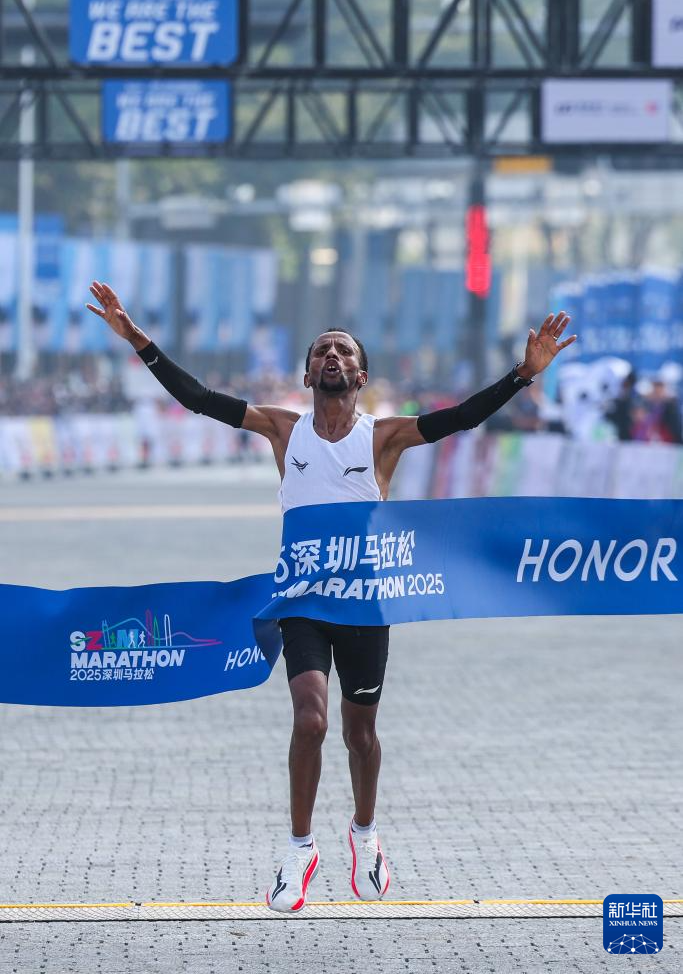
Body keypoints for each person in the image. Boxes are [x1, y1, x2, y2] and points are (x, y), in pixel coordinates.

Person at [86, 280, 576, 913]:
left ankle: (365, 835)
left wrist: (522, 375)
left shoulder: (383, 436)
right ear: (308, 373)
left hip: (366, 605)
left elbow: (460, 418)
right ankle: (299, 849)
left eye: (343, 351)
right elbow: (199, 399)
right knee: (310, 721)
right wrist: (138, 340)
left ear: (361, 375)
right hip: (304, 602)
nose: (333, 356)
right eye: (322, 350)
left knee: (359, 734)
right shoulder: (282, 430)